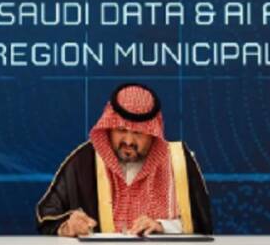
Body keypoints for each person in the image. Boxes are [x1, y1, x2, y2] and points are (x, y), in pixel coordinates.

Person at [36, 83, 213, 237]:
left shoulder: (178, 161)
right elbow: (47, 216)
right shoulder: (84, 161)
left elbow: (201, 224)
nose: (128, 141)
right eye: (121, 130)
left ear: (153, 133)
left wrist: (162, 226)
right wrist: (68, 226)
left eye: (138, 133)